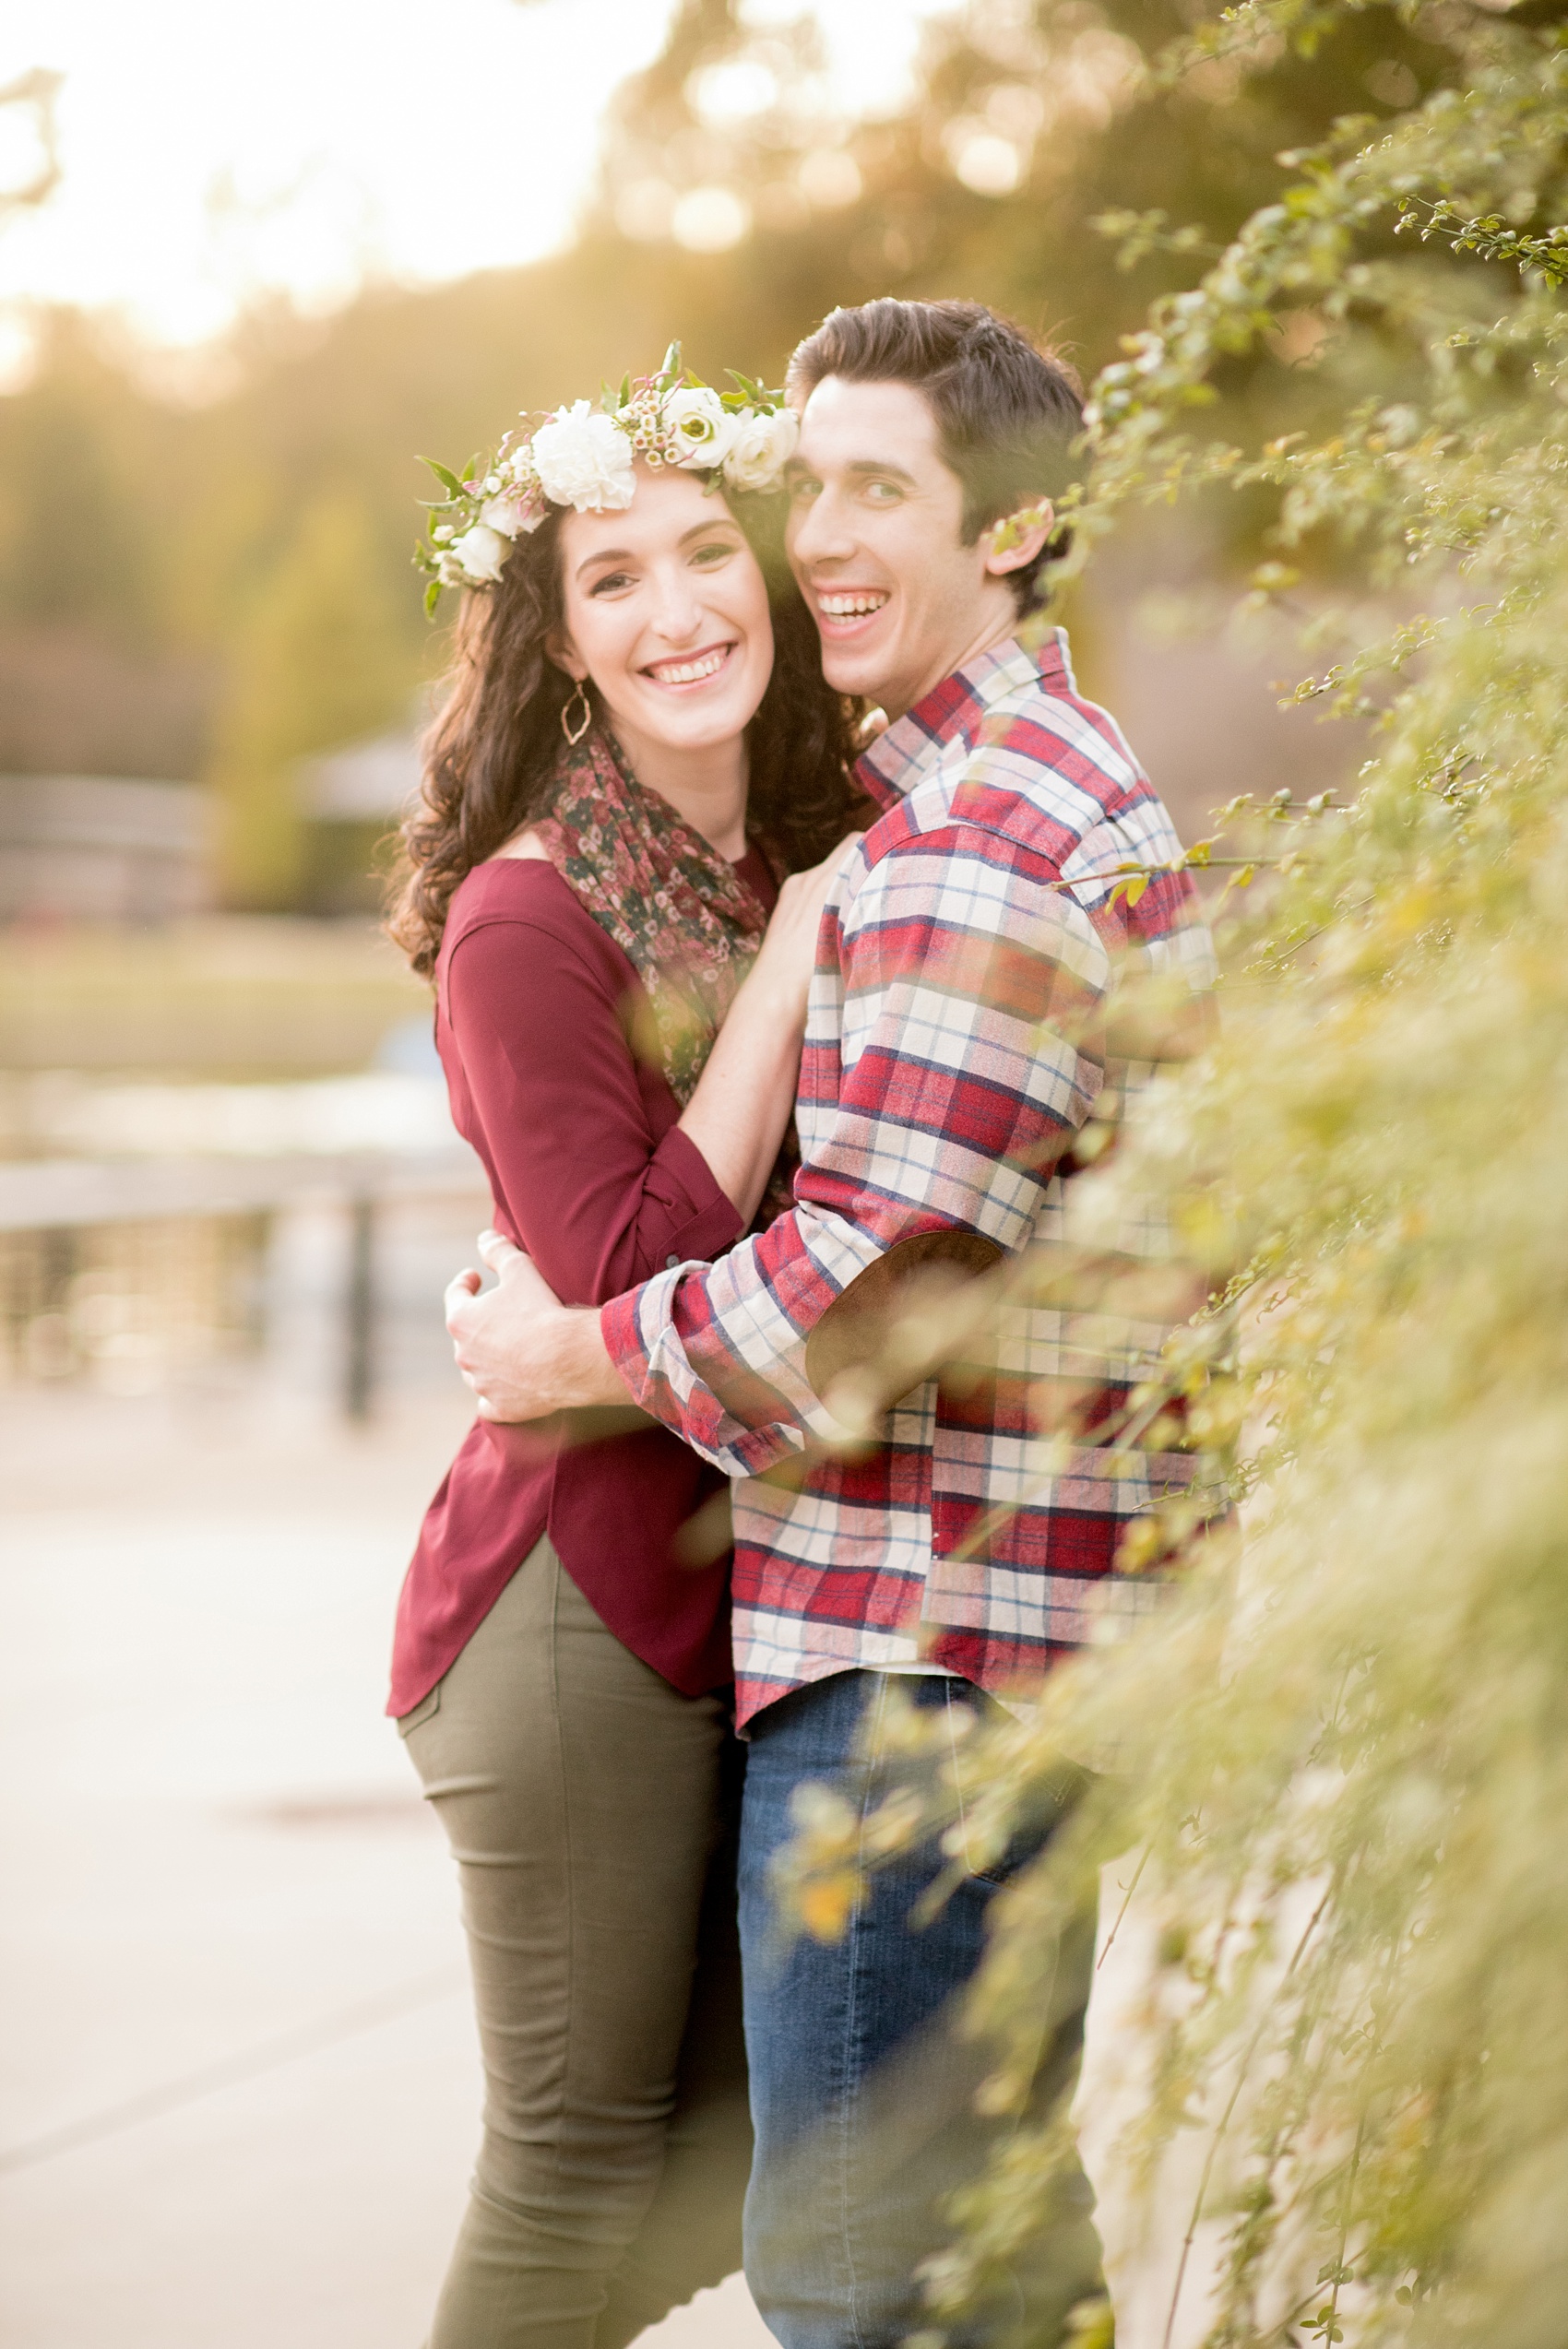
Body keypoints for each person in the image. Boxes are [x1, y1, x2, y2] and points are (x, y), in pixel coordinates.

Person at [445, 299, 1218, 2349]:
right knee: (980, 2249)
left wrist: (577, 1355)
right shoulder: (942, 797)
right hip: (969, 1626)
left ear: (1016, 530)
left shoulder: (974, 834)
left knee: (867, 2277)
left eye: (883, 487)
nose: (823, 542)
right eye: (816, 489)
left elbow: (863, 1287)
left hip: (919, 1643)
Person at [384, 352, 859, 2349]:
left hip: (744, 1583)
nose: (678, 610)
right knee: (576, 2173)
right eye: (612, 580)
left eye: (704, 554)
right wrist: (793, 969)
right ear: (558, 647)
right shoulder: (529, 914)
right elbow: (623, 1284)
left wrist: (809, 912)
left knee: (748, 2160)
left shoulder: (799, 850)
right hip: (569, 1608)